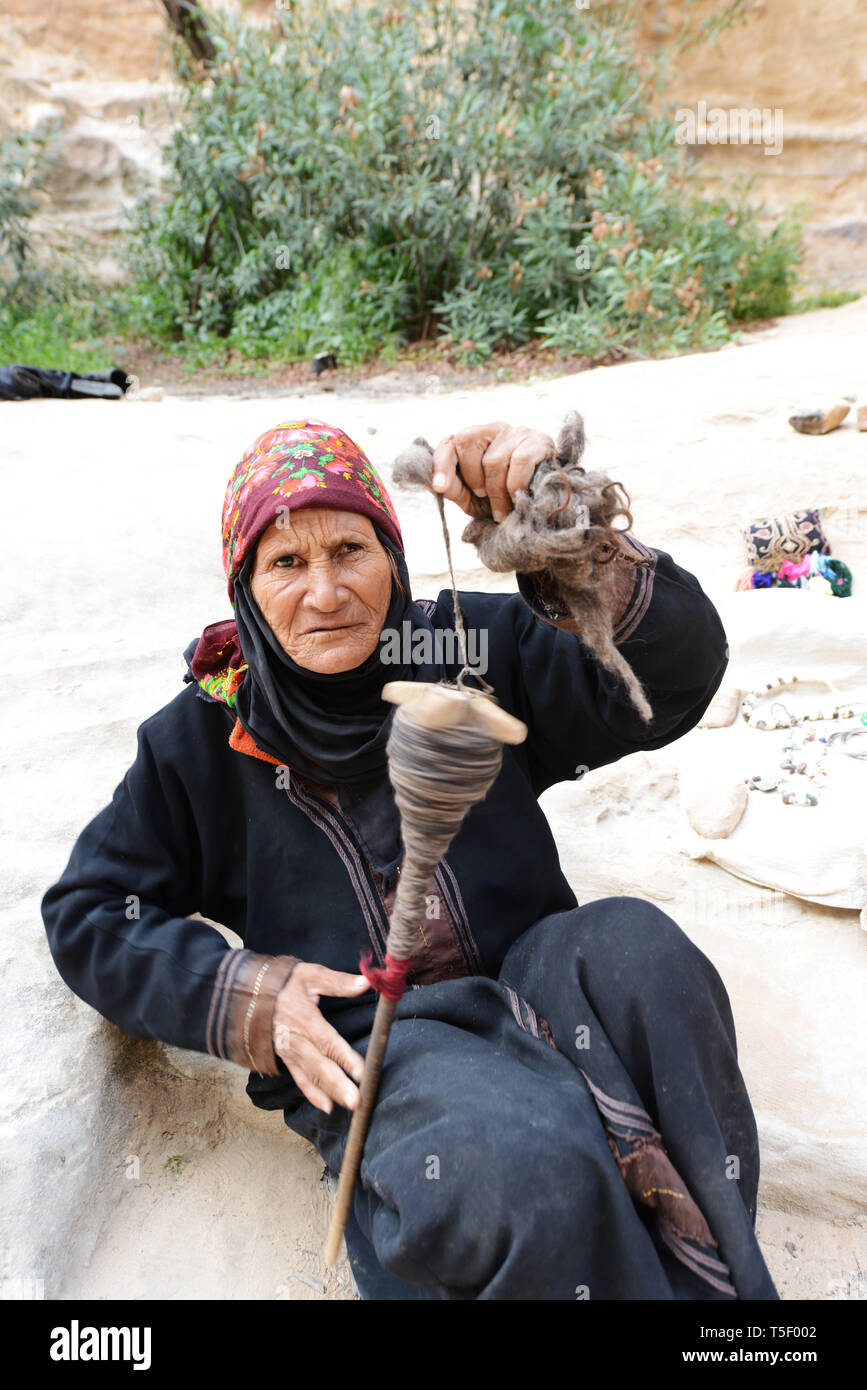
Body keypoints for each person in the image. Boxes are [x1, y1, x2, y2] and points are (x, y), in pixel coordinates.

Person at [41, 416, 778, 1301]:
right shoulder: (200, 736)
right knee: (518, 1165)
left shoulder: (459, 649)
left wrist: (574, 539)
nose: (324, 593)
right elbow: (89, 910)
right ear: (244, 584)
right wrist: (252, 996)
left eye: (350, 548)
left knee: (642, 949)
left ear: (394, 553)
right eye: (285, 563)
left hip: (535, 971)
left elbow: (667, 684)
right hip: (381, 1043)